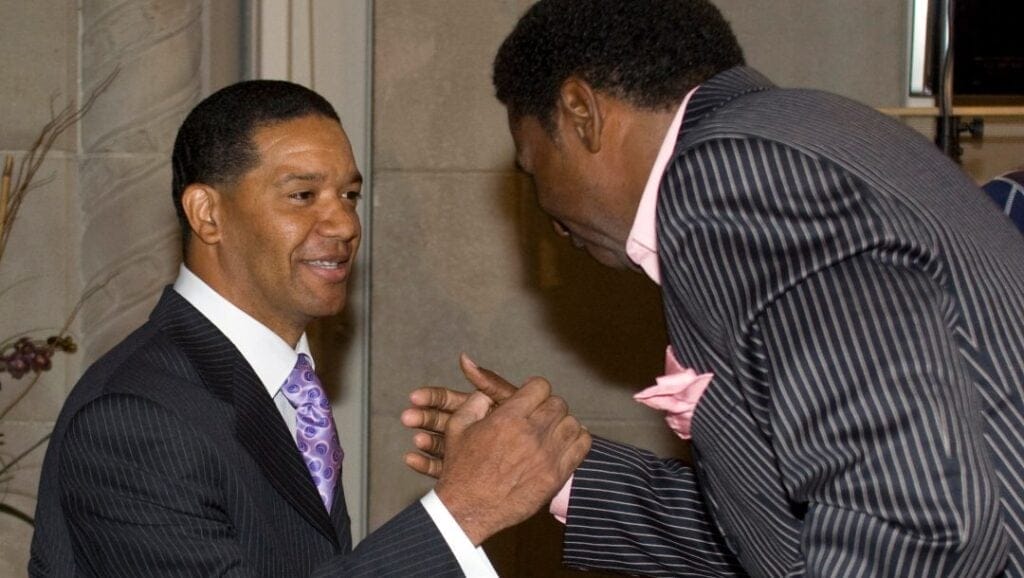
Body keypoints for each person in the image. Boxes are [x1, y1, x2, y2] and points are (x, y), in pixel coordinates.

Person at [402, 0, 1024, 576]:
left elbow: (914, 523)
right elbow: (795, 530)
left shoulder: (732, 174)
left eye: (534, 167)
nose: (545, 210)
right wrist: (555, 474)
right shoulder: (789, 136)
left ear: (580, 113)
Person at [29, 80, 591, 577]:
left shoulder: (282, 382)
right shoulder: (135, 418)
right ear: (207, 214)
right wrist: (465, 508)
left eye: (350, 195)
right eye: (303, 196)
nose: (345, 223)